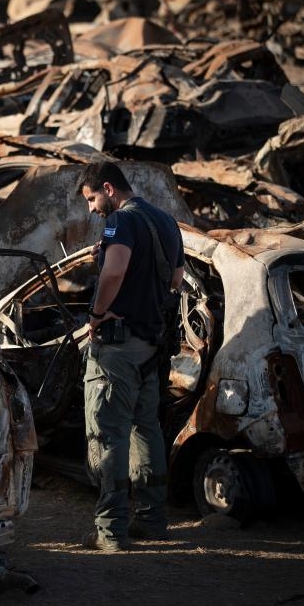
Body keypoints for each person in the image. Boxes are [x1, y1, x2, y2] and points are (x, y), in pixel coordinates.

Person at [76, 161, 184, 552]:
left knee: (108, 435)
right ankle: (153, 521)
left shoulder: (119, 221)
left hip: (117, 350)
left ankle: (111, 532)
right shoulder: (167, 222)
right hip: (151, 347)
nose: (91, 209)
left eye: (91, 199)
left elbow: (115, 272)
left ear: (108, 187)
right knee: (147, 432)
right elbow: (175, 280)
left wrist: (96, 315)